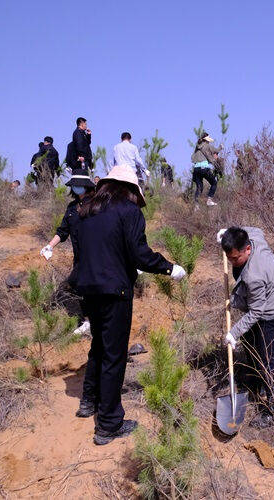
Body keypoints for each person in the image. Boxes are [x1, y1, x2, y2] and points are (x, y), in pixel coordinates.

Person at [74, 165, 187, 445]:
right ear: (130, 189)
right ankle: (109, 425)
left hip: (89, 288)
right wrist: (169, 269)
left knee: (98, 346)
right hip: (114, 291)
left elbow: (97, 249)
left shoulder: (88, 210)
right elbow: (140, 254)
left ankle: (89, 401)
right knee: (114, 356)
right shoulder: (129, 211)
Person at [217, 226, 274, 429]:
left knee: (267, 362)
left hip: (272, 316)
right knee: (250, 345)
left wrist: (234, 332)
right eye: (228, 258)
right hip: (260, 309)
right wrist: (226, 233)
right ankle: (255, 382)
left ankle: (273, 411)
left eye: (235, 258)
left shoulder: (254, 276)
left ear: (247, 249)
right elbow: (254, 229)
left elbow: (257, 312)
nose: (232, 262)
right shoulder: (254, 237)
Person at [40, 168, 96, 336]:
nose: (77, 188)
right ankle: (87, 321)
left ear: (86, 186)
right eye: (75, 185)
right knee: (76, 288)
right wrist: (50, 246)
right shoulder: (72, 208)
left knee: (82, 287)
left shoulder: (96, 206)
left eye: (80, 185)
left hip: (96, 256)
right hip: (79, 258)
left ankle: (91, 321)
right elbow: (63, 231)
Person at [191, 132, 221, 206]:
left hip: (196, 169)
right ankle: (209, 200)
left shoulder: (197, 146)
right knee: (214, 183)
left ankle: (196, 206)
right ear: (206, 139)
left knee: (199, 187)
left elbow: (192, 157)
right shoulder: (207, 146)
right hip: (204, 168)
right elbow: (216, 150)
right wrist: (221, 147)